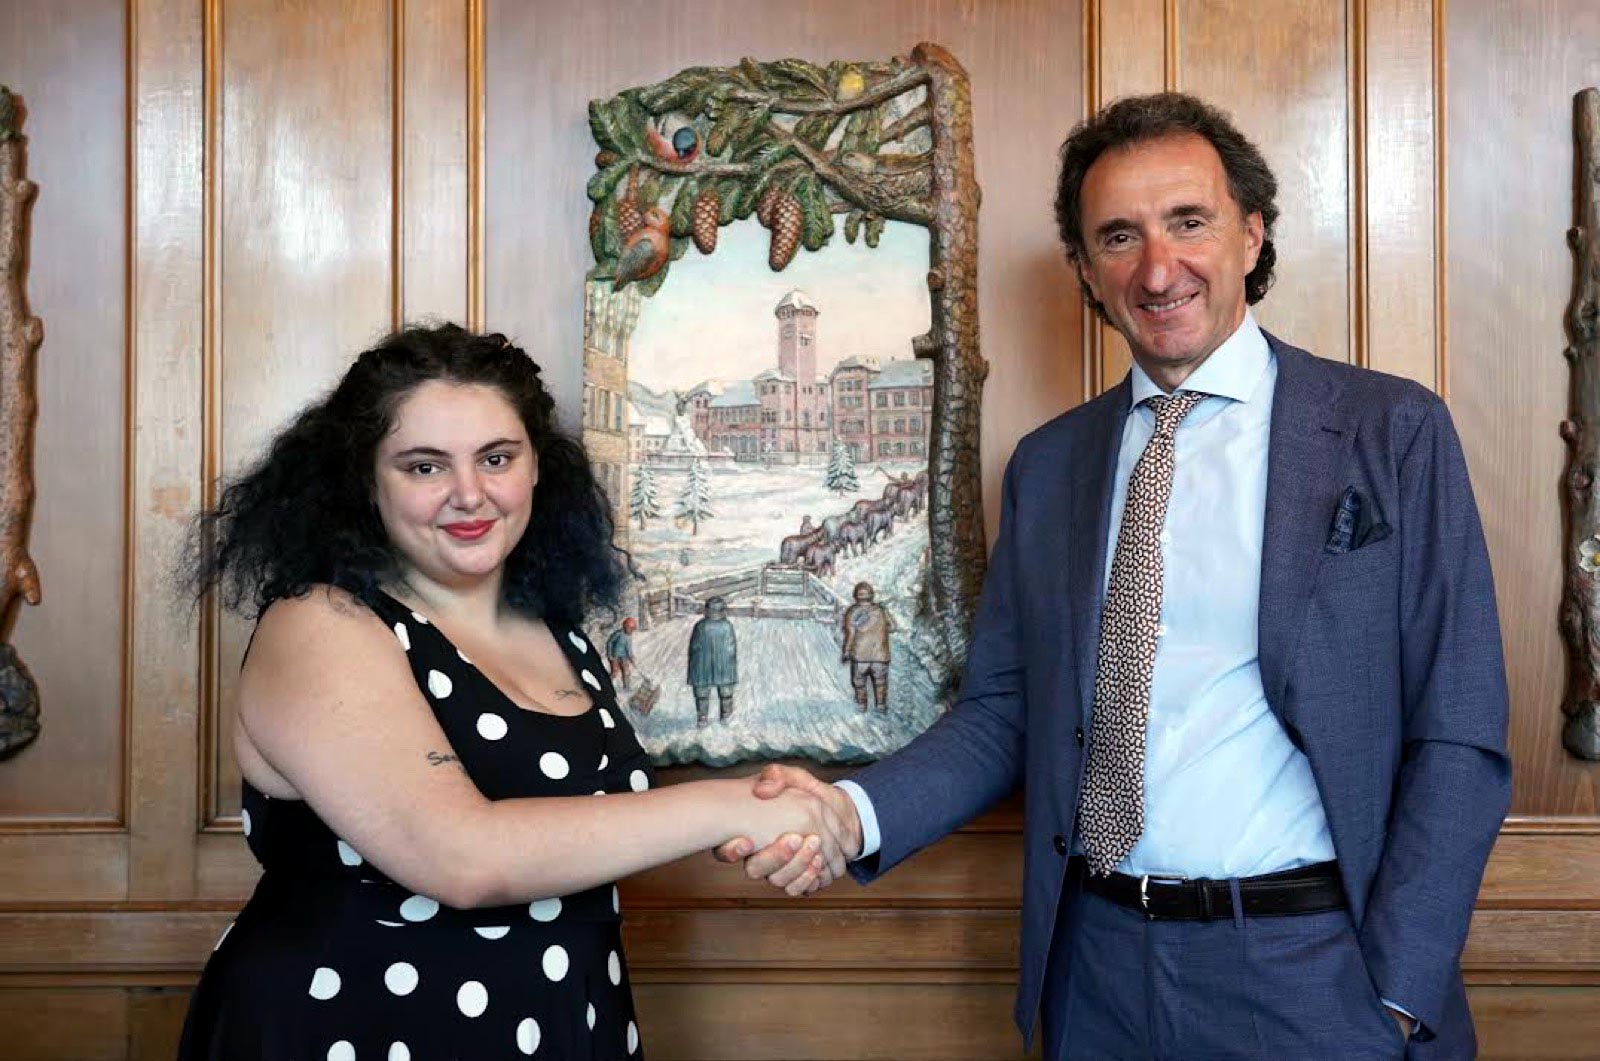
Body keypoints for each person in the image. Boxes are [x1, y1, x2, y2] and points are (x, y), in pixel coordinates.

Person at [722, 93, 1511, 1059]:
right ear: (1087, 271)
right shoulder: (1050, 465)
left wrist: (1396, 992)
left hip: (1314, 973)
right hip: (1094, 974)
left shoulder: (1390, 431)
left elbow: (1460, 727)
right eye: (1119, 237)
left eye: (1189, 222)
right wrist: (851, 814)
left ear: (1252, 234)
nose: (1158, 268)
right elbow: (1004, 712)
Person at [176, 324, 849, 1059]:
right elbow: (461, 856)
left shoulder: (558, 633)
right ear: (364, 481)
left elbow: (591, 835)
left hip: (557, 1022)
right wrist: (730, 805)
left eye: (496, 458)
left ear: (536, 469)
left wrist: (771, 822)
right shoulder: (319, 623)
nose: (470, 494)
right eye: (424, 466)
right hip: (354, 1028)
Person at [840, 581, 894, 713]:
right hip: (880, 655)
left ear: (855, 596)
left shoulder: (852, 612)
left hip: (860, 656)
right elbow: (893, 627)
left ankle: (862, 705)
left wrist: (846, 652)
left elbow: (850, 635)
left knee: (859, 682)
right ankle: (881, 705)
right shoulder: (881, 610)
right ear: (871, 595)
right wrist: (884, 614)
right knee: (880, 682)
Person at [687, 596, 737, 727]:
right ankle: (726, 716)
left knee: (702, 693)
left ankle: (702, 718)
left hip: (702, 665)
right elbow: (731, 649)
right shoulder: (727, 626)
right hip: (724, 666)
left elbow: (694, 647)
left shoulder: (700, 626)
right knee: (726, 692)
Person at [606, 616, 637, 689]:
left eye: (632, 629)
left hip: (624, 657)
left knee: (626, 672)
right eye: (630, 628)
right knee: (614, 672)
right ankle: (606, 684)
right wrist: (610, 654)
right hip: (614, 656)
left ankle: (627, 687)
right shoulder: (618, 634)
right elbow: (610, 642)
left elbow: (628, 648)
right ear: (625, 627)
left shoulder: (629, 637)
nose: (631, 631)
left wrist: (631, 657)